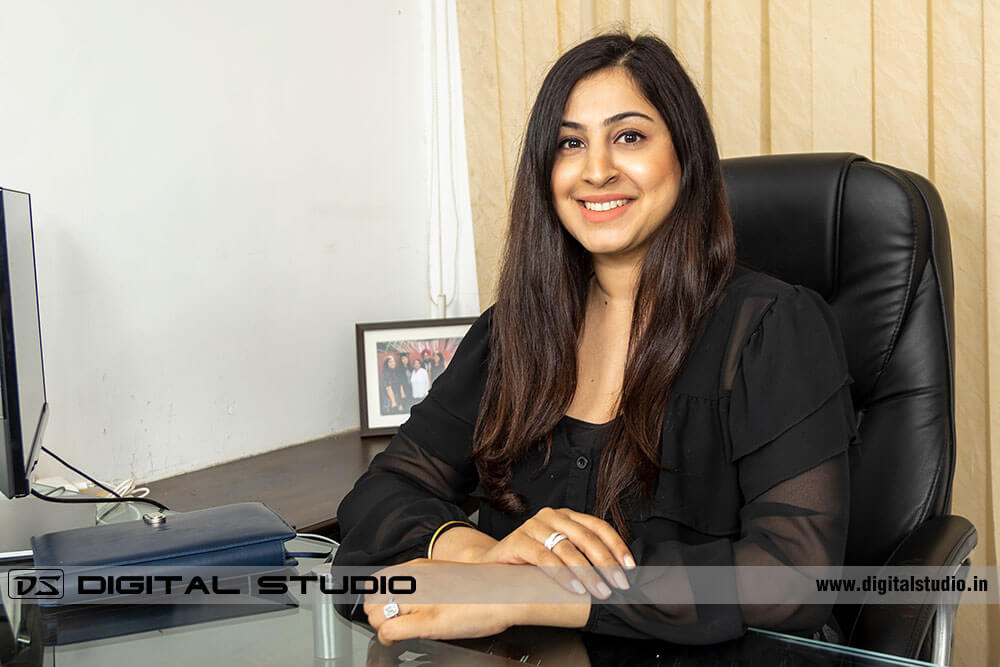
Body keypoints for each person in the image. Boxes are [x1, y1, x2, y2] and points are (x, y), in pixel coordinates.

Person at [335, 33, 857, 647]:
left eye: (629, 137)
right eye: (570, 143)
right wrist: (482, 561)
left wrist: (534, 592)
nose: (597, 169)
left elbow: (795, 575)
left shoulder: (773, 329)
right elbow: (383, 492)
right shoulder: (513, 331)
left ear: (685, 155)